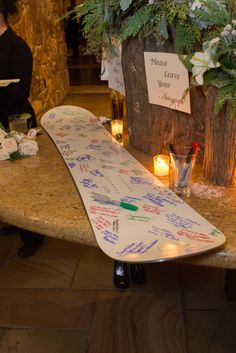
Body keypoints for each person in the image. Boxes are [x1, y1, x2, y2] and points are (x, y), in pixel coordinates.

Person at [0, 0, 44, 258]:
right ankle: (17, 222)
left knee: (27, 182)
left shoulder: (17, 46)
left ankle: (33, 235)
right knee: (8, 180)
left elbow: (20, 91)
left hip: (17, 121)